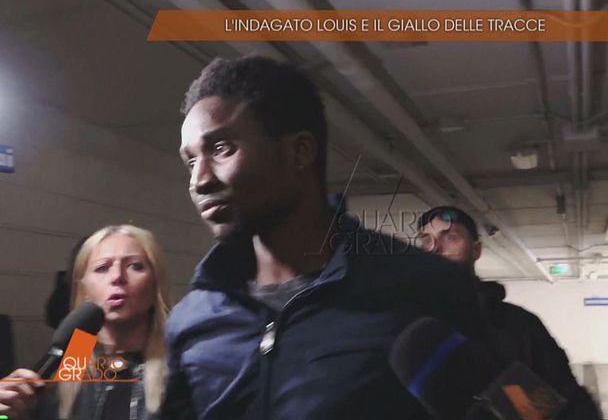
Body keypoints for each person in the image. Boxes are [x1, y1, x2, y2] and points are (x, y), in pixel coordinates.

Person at [162, 55, 483, 420]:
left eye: (221, 149)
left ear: (299, 151)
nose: (199, 180)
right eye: (191, 161)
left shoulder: (426, 287)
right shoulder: (190, 318)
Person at [416, 206, 603, 420]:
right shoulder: (404, 327)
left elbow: (570, 406)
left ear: (476, 250)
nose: (435, 248)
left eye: (450, 237)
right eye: (426, 240)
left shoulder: (519, 326)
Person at [0, 225, 171, 420]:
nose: (117, 277)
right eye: (102, 268)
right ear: (84, 289)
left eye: (135, 266)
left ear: (156, 283)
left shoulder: (180, 364)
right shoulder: (72, 359)